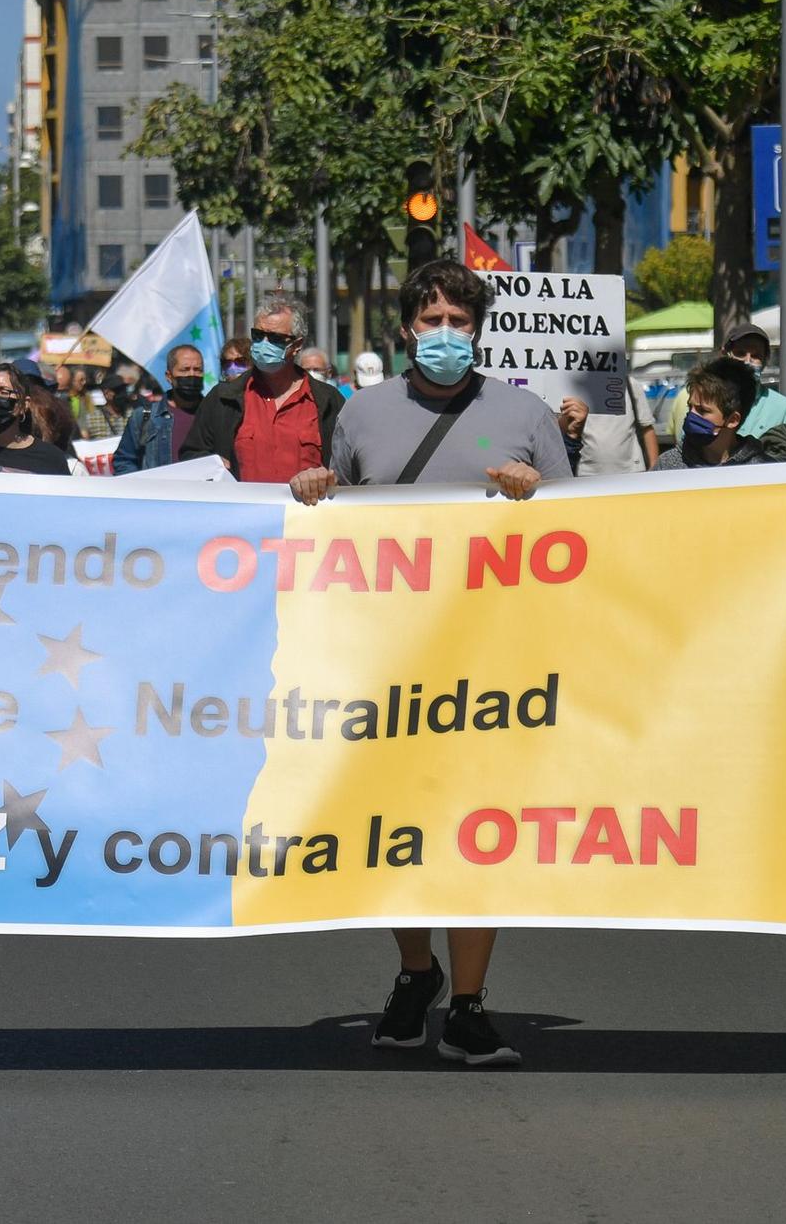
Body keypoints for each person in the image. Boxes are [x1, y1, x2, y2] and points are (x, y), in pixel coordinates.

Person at [287, 259, 577, 1068]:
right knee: (393, 827)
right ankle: (418, 972)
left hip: (494, 665)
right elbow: (330, 518)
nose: (445, 333)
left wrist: (537, 494)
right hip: (385, 660)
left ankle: (472, 1004)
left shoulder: (523, 415)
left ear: (477, 328)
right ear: (407, 328)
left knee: (480, 830)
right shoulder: (361, 415)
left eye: (459, 319)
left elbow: (582, 530)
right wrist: (310, 487)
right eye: (431, 319)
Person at [179, 294, 345, 484]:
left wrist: (326, 478)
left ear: (297, 345)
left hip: (306, 513)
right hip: (240, 512)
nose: (263, 344)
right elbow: (191, 456)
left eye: (274, 338)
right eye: (258, 336)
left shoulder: (328, 401)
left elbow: (346, 467)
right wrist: (209, 466)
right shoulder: (222, 398)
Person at [664, 324, 786, 459]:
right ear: (724, 354)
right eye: (740, 353)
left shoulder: (784, 408)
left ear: (766, 360)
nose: (748, 360)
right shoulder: (686, 396)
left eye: (756, 356)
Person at [653, 358, 786, 470]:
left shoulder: (762, 471)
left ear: (733, 420)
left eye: (703, 411)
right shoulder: (667, 465)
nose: (691, 416)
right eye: (690, 407)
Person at [114, 344, 205, 474]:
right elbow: (124, 461)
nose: (192, 375)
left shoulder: (215, 413)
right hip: (159, 492)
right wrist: (140, 489)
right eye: (184, 370)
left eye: (197, 370)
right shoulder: (145, 416)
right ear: (169, 376)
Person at [573, 375, 658, 475]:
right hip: (586, 474)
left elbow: (647, 428)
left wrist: (654, 470)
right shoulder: (574, 388)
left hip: (631, 472)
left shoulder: (631, 385)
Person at [79, 373, 133, 441]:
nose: (122, 393)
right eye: (117, 390)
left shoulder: (132, 414)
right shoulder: (93, 417)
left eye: (123, 389)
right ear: (106, 393)